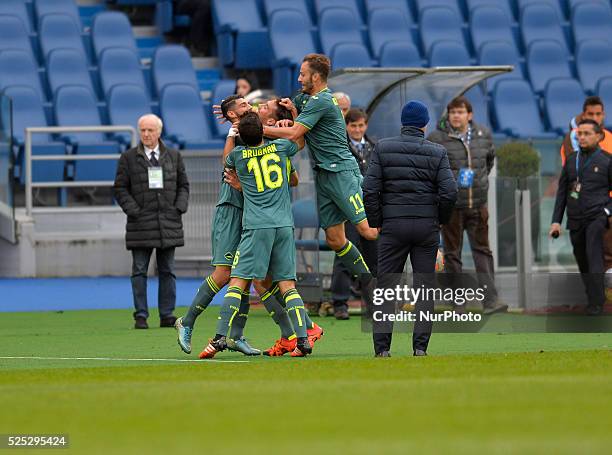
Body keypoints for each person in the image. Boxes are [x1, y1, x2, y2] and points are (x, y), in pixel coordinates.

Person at [176, 95, 323, 357]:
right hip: (234, 212)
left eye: (255, 106)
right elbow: (291, 152)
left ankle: (241, 336)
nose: (252, 106)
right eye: (244, 104)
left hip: (255, 216)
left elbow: (294, 179)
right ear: (233, 117)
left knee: (256, 280)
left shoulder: (250, 143)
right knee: (229, 276)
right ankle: (188, 323)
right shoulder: (248, 140)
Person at [263, 53, 379, 297]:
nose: (298, 78)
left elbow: (295, 134)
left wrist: (256, 128)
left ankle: (417, 243)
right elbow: (302, 138)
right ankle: (372, 286)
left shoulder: (323, 101)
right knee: (336, 239)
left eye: (303, 74)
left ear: (315, 76)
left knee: (368, 231)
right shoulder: (307, 100)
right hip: (324, 176)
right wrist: (292, 112)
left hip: (342, 173)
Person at [363, 100, 457, 357]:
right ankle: (420, 348)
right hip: (426, 227)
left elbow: (370, 189)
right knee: (424, 288)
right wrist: (440, 219)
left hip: (393, 226)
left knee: (386, 288)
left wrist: (377, 221)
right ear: (425, 124)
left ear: (403, 123)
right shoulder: (437, 152)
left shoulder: (383, 148)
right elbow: (449, 192)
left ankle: (382, 350)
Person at [427, 96, 506, 314]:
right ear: (448, 115)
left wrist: (477, 183)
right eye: (453, 112)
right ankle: (458, 302)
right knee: (453, 254)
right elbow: (433, 169)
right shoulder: (437, 137)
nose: (456, 116)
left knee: (483, 251)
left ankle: (490, 300)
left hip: (478, 204)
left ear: (469, 115)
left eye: (460, 112)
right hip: (452, 206)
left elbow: (488, 162)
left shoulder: (483, 134)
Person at [113, 114, 189, 329]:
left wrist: (178, 208)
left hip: (169, 222)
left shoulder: (174, 156)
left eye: (150, 130)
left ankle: (167, 314)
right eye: (143, 130)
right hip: (140, 224)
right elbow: (120, 188)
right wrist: (134, 211)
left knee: (168, 270)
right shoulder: (127, 158)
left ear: (159, 132)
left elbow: (184, 185)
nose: (146, 134)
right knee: (139, 270)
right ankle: (141, 315)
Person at [550, 119, 612, 316]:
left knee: (594, 255)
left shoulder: (607, 160)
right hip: (575, 219)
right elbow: (562, 193)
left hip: (596, 216)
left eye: (587, 133)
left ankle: (596, 303)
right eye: (580, 133)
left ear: (599, 136)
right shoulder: (571, 160)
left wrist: (606, 212)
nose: (581, 137)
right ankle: (594, 297)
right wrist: (556, 221)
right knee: (582, 258)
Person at [331, 108, 378, 319]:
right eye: (353, 125)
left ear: (366, 125)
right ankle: (340, 303)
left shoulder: (375, 147)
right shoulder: (340, 146)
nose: (357, 129)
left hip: (370, 208)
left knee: (373, 255)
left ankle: (373, 304)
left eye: (361, 125)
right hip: (348, 207)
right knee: (345, 255)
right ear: (347, 126)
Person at [560, 96, 612, 272]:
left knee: (606, 256)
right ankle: (597, 296)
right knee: (589, 257)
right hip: (584, 208)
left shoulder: (610, 138)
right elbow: (572, 176)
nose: (596, 117)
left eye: (599, 114)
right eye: (591, 114)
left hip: (606, 209)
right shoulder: (572, 141)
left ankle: (603, 297)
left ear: (603, 115)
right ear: (583, 115)